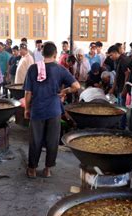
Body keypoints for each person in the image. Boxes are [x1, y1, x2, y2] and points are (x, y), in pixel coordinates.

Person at [23, 41, 80, 179]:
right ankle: (48, 169)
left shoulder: (32, 69)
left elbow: (28, 93)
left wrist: (26, 109)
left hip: (37, 110)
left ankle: (32, 169)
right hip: (54, 111)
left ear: (42, 53)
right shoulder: (60, 69)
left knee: (35, 140)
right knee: (52, 140)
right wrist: (65, 90)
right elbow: (77, 86)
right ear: (55, 54)